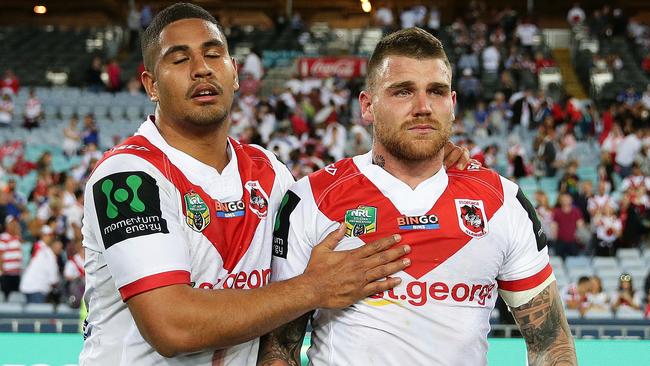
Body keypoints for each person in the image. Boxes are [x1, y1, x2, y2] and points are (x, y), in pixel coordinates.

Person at [79, 4, 472, 366]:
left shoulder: (268, 172)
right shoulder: (127, 177)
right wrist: (313, 289)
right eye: (180, 59)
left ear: (234, 73)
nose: (201, 68)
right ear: (150, 85)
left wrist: (428, 152)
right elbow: (172, 327)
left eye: (214, 55)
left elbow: (343, 198)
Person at [262, 28, 576, 366]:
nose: (423, 107)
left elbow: (551, 346)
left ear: (452, 104)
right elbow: (279, 351)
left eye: (436, 92)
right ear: (368, 106)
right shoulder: (310, 200)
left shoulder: (503, 202)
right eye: (403, 92)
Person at [19, 225, 61, 303]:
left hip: (27, 286)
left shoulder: (41, 248)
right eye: (48, 235)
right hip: (37, 288)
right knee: (37, 314)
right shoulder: (47, 252)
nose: (50, 238)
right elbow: (53, 279)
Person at [0, 215, 23, 301]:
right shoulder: (3, 237)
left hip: (16, 274)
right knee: (6, 298)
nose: (14, 225)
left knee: (15, 298)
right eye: (12, 223)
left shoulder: (17, 238)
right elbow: (0, 257)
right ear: (7, 225)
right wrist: (2, 272)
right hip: (6, 275)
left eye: (15, 223)